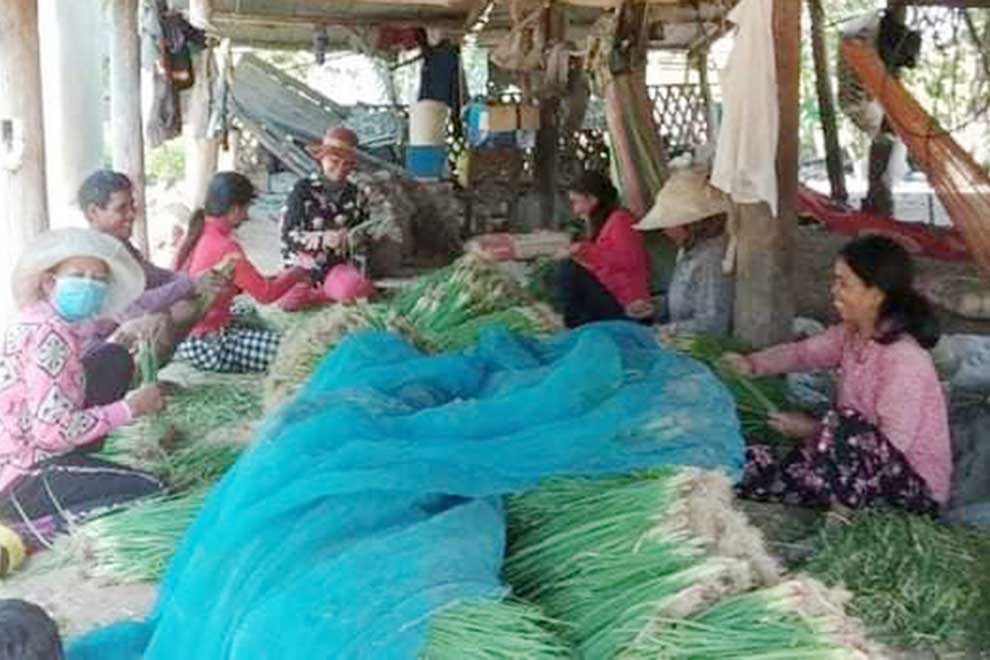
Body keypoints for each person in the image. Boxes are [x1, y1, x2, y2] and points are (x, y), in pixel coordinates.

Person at [721, 236, 951, 514]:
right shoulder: (852, 335)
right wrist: (751, 364)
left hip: (909, 490)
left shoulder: (903, 358)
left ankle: (841, 518)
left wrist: (814, 430)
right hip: (848, 467)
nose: (834, 291)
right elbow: (804, 353)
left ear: (876, 294)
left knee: (846, 422)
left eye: (844, 283)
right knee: (751, 466)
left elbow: (890, 444)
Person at [0, 228, 164, 556]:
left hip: (20, 450)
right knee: (154, 489)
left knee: (112, 357)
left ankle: (71, 476)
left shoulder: (40, 320)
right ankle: (34, 527)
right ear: (49, 283)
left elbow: (63, 383)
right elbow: (51, 433)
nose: (89, 285)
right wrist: (130, 408)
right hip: (21, 474)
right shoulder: (51, 337)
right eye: (78, 275)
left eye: (98, 279)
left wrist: (123, 335)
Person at [78, 170, 226, 361]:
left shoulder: (119, 244)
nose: (131, 214)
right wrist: (189, 284)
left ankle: (146, 382)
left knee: (187, 307)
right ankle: (128, 385)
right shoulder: (93, 256)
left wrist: (200, 279)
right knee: (156, 322)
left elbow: (154, 275)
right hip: (91, 352)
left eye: (132, 206)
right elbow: (134, 307)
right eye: (121, 209)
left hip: (113, 337)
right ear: (93, 213)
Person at [174, 172, 309, 372]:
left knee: (246, 312)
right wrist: (297, 272)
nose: (247, 216)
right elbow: (266, 294)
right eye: (246, 208)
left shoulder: (196, 231)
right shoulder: (225, 248)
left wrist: (280, 277)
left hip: (184, 333)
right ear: (235, 209)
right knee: (295, 352)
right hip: (207, 342)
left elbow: (248, 283)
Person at [280, 126, 374, 307]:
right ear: (321, 158)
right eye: (334, 160)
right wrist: (323, 239)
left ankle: (327, 293)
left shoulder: (357, 194)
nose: (340, 168)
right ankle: (324, 295)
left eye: (346, 164)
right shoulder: (302, 189)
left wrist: (351, 239)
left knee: (356, 287)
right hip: (301, 268)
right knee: (290, 300)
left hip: (336, 268)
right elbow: (287, 235)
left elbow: (364, 235)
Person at [639, 170, 734, 337]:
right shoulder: (689, 250)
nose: (665, 231)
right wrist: (655, 307)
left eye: (670, 224)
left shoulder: (712, 258)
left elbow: (712, 324)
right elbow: (685, 301)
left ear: (693, 225)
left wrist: (661, 331)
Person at [557, 170, 652, 328]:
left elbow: (627, 260)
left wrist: (583, 250)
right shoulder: (603, 225)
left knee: (568, 271)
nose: (575, 210)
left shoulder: (621, 220)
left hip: (630, 309)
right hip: (614, 302)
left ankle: (573, 328)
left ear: (593, 199)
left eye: (576, 202)